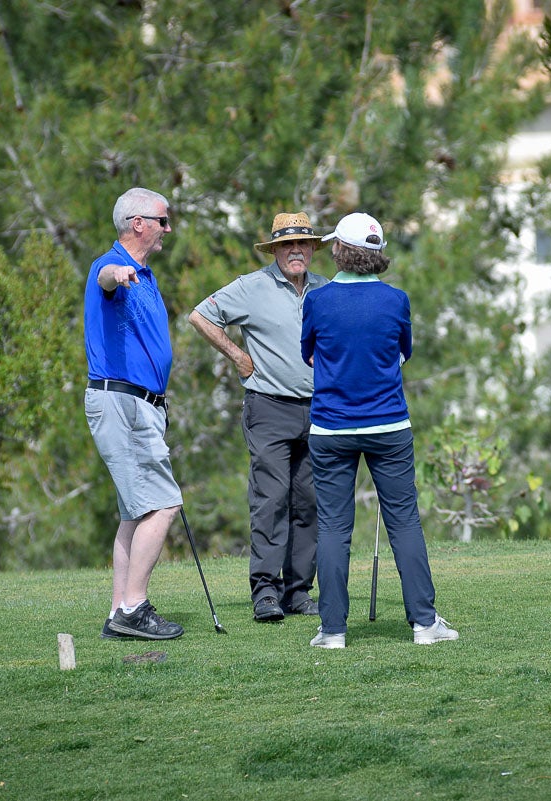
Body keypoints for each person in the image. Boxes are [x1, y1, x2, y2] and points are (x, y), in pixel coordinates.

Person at [301, 212, 458, 648]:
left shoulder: (317, 300)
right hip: (389, 424)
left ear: (340, 250)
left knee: (333, 527)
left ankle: (332, 630)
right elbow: (403, 352)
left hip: (331, 428)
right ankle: (425, 626)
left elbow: (308, 354)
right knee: (404, 522)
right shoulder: (396, 300)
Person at [188, 212, 329, 623]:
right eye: (287, 245)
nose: (296, 251)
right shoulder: (252, 286)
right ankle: (266, 591)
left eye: (303, 244)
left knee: (311, 502)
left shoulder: (324, 289)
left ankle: (299, 592)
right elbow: (200, 315)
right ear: (275, 250)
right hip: (268, 406)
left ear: (312, 249)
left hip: (318, 408)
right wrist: (237, 355)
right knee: (271, 500)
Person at [84, 187, 186, 640]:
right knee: (164, 505)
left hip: (139, 405)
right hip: (122, 401)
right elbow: (104, 276)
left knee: (134, 512)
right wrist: (117, 274)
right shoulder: (111, 266)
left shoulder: (147, 274)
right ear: (138, 223)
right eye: (163, 220)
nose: (169, 228)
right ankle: (133, 608)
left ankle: (118, 612)